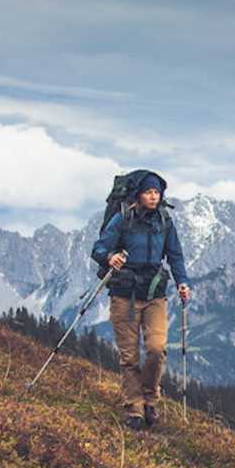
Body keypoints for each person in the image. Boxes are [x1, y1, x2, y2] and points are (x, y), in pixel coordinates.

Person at [90, 172, 191, 429]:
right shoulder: (122, 219)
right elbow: (98, 249)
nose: (153, 196)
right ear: (138, 195)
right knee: (130, 356)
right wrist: (110, 257)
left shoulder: (164, 221)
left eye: (157, 192)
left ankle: (150, 399)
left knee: (157, 349)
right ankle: (134, 407)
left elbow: (175, 255)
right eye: (148, 192)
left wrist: (182, 281)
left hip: (154, 293)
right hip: (124, 294)